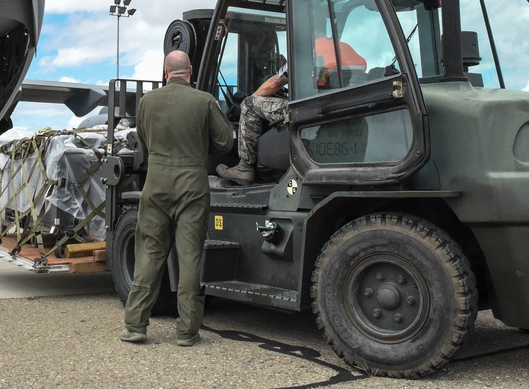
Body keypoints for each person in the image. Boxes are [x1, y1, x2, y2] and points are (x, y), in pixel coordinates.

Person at [120, 50, 234, 348]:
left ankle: (135, 325)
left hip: (156, 182)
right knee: (189, 257)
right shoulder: (204, 100)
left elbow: (142, 142)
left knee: (149, 253)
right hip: (192, 184)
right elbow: (225, 141)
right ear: (191, 70)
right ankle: (186, 331)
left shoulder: (147, 102)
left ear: (165, 71)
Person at [217, 37, 366, 186]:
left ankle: (244, 167)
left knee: (250, 105)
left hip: (312, 109)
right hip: (343, 107)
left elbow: (275, 82)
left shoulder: (309, 54)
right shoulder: (345, 50)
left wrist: (249, 101)